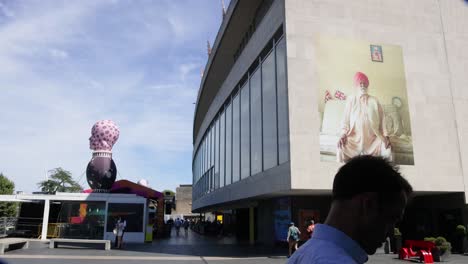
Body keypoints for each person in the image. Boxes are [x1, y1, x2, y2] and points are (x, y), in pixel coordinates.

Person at [288, 155, 413, 264]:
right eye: (391, 218)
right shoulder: (336, 260)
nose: (391, 232)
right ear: (368, 205)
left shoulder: (301, 255)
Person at [337, 72, 391, 162]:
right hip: (354, 139)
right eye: (360, 83)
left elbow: (382, 120)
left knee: (388, 151)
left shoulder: (374, 100)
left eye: (364, 83)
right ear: (356, 86)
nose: (362, 85)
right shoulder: (351, 99)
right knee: (340, 148)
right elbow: (345, 120)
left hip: (374, 140)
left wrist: (386, 136)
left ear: (367, 85)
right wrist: (343, 134)